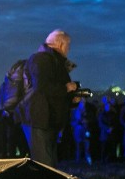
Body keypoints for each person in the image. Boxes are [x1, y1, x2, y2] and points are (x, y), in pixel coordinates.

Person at [17, 30, 80, 167]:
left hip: (48, 121)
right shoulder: (41, 59)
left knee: (49, 164)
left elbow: (53, 93)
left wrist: (72, 100)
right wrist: (67, 88)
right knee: (44, 165)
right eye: (68, 45)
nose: (69, 49)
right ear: (60, 44)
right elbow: (42, 87)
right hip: (39, 120)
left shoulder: (54, 61)